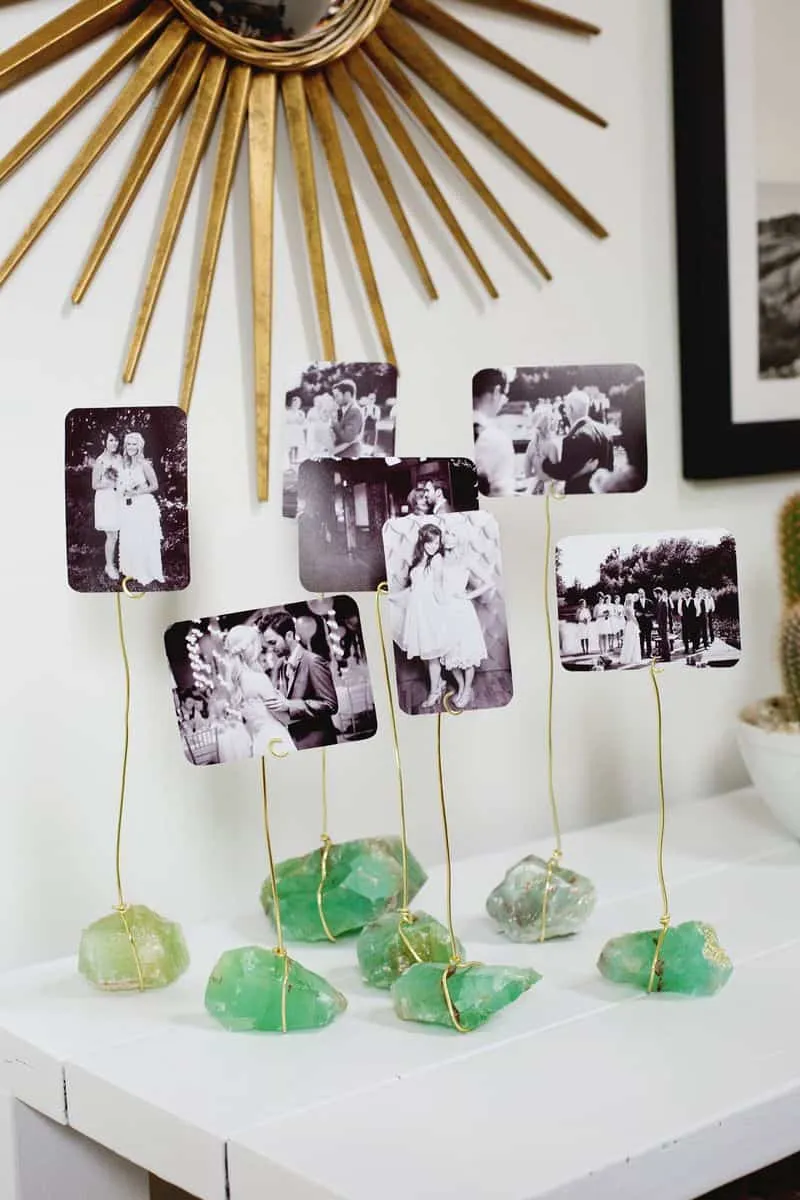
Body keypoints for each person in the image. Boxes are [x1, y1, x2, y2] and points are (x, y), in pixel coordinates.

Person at [260, 610, 339, 748]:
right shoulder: (280, 664)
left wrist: (290, 705)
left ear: (289, 635)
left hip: (318, 742)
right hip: (293, 741)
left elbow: (330, 704)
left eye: (273, 643)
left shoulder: (313, 661)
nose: (271, 649)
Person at [392, 524, 448, 708]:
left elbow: (438, 588)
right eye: (430, 542)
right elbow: (414, 587)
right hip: (417, 610)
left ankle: (434, 693)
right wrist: (395, 597)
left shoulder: (438, 559)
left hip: (430, 610)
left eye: (437, 542)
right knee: (424, 652)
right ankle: (439, 683)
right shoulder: (418, 560)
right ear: (423, 540)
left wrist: (449, 609)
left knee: (431, 655)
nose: (433, 546)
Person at [439, 526, 493, 708]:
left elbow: (489, 582)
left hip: (462, 610)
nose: (448, 537)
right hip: (444, 611)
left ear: (458, 538)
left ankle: (468, 689)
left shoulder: (466, 560)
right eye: (446, 533)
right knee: (450, 654)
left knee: (467, 653)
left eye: (452, 532)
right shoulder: (438, 560)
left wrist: (468, 595)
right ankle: (461, 687)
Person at [223, 626, 295, 757]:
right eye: (256, 643)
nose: (261, 648)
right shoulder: (257, 679)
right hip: (277, 741)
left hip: (259, 743)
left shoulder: (237, 683)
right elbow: (284, 718)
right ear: (248, 648)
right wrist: (288, 703)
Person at [541, 389, 613, 495]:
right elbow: (609, 467)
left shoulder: (576, 436)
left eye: (565, 408)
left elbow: (563, 472)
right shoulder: (605, 430)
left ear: (570, 409)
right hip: (603, 492)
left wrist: (544, 462)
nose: (564, 411)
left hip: (580, 496)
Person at [117, 432, 163, 585]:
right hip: (128, 505)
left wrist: (136, 491)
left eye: (134, 444)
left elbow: (155, 486)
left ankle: (146, 571)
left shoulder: (145, 464)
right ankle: (132, 570)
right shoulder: (125, 464)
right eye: (128, 444)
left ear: (139, 446)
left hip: (143, 505)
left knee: (143, 538)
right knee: (131, 537)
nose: (131, 447)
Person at [472, 368, 516, 497]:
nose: (505, 400)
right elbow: (501, 494)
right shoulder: (497, 439)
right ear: (496, 391)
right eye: (505, 394)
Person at [92, 431, 123, 580]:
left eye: (116, 440)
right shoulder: (100, 461)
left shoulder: (119, 458)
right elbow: (94, 484)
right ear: (104, 442)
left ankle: (119, 563)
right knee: (111, 534)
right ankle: (109, 566)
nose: (114, 443)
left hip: (118, 497)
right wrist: (109, 483)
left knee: (116, 534)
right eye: (111, 440)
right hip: (106, 499)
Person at [523, 405, 561, 495]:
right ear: (548, 424)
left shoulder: (531, 445)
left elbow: (527, 473)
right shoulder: (552, 445)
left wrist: (539, 478)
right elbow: (556, 475)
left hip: (536, 486)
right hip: (550, 488)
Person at [332, 379, 364, 458]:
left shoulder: (355, 411)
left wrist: (334, 422)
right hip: (342, 453)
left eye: (337, 396)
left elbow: (347, 437)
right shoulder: (346, 410)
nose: (335, 399)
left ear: (347, 394)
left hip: (349, 454)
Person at [305, 393, 336, 458]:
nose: (318, 403)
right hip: (315, 430)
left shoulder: (325, 410)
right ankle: (312, 458)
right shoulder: (312, 410)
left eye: (319, 402)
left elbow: (327, 419)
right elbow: (309, 419)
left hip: (324, 430)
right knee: (314, 446)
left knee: (327, 445)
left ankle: (331, 457)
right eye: (316, 402)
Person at [619, 593, 643, 667]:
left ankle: (632, 657)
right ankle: (629, 658)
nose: (632, 601)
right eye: (631, 599)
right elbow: (632, 618)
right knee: (631, 640)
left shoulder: (626, 607)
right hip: (631, 624)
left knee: (631, 640)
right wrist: (637, 624)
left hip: (629, 624)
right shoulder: (628, 608)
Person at [285, 396, 306, 465]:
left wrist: (299, 420)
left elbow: (302, 421)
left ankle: (296, 459)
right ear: (292, 403)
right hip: (291, 430)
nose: (296, 404)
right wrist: (295, 420)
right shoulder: (288, 412)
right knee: (291, 446)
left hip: (298, 430)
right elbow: (287, 420)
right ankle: (291, 460)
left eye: (298, 403)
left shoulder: (301, 412)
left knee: (297, 445)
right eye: (295, 402)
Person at [634, 588, 654, 659]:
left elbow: (654, 612)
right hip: (640, 624)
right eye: (639, 593)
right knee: (641, 639)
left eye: (642, 593)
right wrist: (636, 614)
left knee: (649, 639)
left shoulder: (650, 602)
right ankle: (641, 653)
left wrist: (649, 615)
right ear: (638, 594)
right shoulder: (636, 603)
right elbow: (634, 613)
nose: (641, 594)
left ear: (644, 593)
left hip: (648, 623)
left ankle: (649, 653)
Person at [654, 587, 671, 663]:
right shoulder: (659, 601)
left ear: (658, 594)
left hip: (663, 624)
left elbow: (665, 615)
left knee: (665, 640)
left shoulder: (664, 602)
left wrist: (663, 624)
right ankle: (663, 655)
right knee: (663, 640)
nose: (654, 595)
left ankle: (667, 656)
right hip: (660, 624)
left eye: (655, 594)